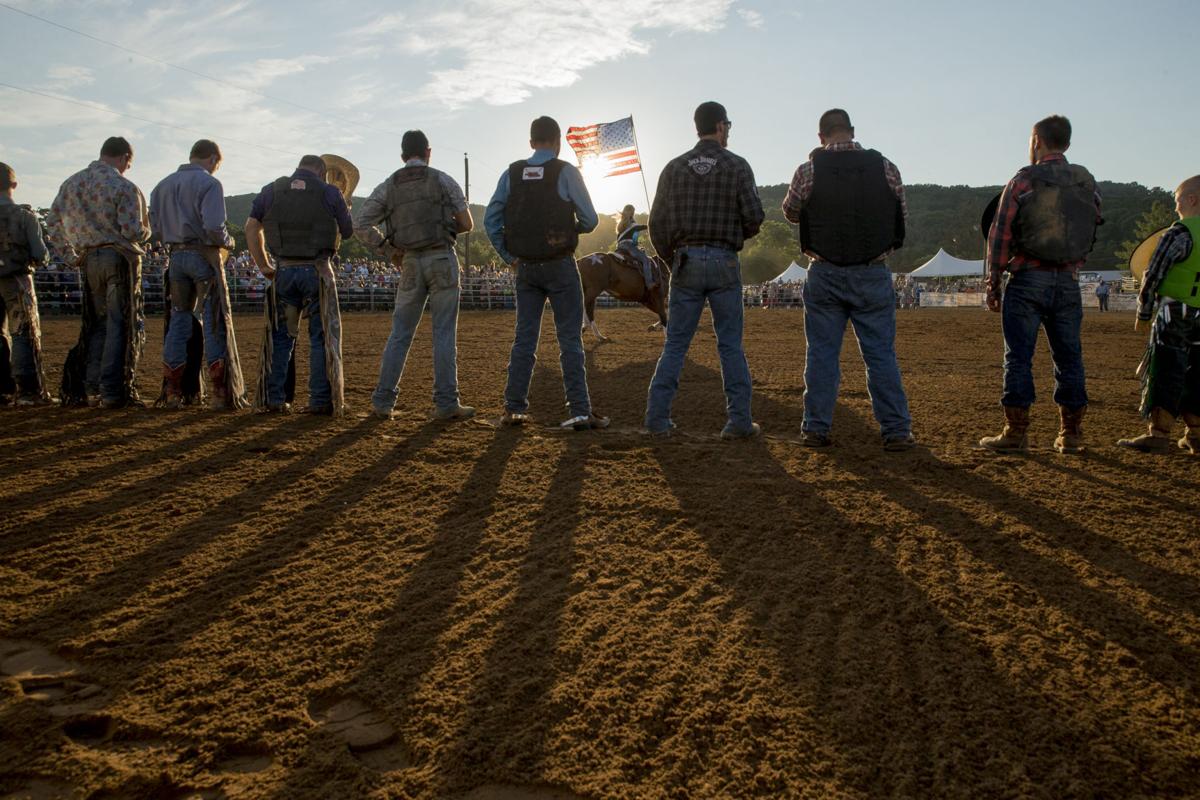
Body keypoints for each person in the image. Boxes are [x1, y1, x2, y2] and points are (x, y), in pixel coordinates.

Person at [781, 108, 914, 451]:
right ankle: (896, 431)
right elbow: (901, 215)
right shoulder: (886, 167)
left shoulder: (808, 169)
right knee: (880, 355)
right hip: (872, 271)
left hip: (824, 271)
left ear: (821, 136)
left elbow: (791, 212)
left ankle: (815, 428)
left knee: (822, 355)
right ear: (852, 131)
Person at [979, 115, 1101, 454]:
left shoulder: (1022, 181)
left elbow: (1000, 234)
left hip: (1028, 279)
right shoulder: (1085, 182)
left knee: (1018, 357)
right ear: (1067, 142)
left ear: (1036, 140)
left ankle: (1015, 432)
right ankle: (1071, 433)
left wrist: (993, 283)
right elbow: (1092, 226)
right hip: (1067, 280)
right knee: (1069, 357)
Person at [644, 101, 765, 439]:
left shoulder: (673, 167)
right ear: (721, 127)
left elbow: (656, 224)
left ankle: (657, 419)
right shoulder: (737, 166)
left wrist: (673, 258)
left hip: (685, 259)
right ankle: (739, 421)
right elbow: (754, 216)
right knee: (730, 345)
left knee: (676, 345)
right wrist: (733, 237)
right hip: (724, 260)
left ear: (697, 126)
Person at [484, 115, 607, 430]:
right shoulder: (565, 171)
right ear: (558, 143)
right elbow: (591, 219)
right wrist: (570, 228)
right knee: (569, 339)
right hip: (560, 264)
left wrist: (509, 255)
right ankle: (579, 409)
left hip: (526, 266)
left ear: (530, 143)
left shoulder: (511, 173)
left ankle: (513, 407)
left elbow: (491, 220)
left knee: (524, 338)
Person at [354, 130, 475, 421]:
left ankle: (383, 400)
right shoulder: (443, 179)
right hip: (441, 258)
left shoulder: (389, 185)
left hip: (409, 261)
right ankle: (446, 403)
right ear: (428, 152)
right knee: (444, 332)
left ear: (402, 156)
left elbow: (360, 224)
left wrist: (388, 250)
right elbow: (467, 223)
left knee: (400, 333)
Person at [45, 136, 150, 408]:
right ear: (125, 157)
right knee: (120, 323)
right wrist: (148, 231)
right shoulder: (124, 186)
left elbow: (53, 222)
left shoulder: (72, 183)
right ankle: (114, 389)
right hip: (118, 258)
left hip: (89, 259)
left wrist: (71, 257)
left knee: (97, 324)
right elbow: (132, 231)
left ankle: (91, 388)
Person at [246, 155, 353, 415]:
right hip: (317, 270)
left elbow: (251, 227)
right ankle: (319, 401)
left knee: (281, 337)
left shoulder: (271, 190)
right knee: (320, 337)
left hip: (284, 270)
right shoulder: (329, 192)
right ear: (321, 171)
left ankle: (274, 398)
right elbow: (347, 230)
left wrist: (263, 266)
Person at [149, 139, 247, 410]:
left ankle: (172, 391)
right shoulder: (210, 184)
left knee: (179, 320)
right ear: (214, 158)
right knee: (213, 319)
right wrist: (228, 242)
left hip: (176, 256)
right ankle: (218, 393)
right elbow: (214, 226)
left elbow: (154, 227)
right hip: (203, 255)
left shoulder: (162, 185)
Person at [1117, 175, 1200, 454]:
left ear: (1192, 199)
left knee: (1166, 368)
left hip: (1175, 312)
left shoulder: (1179, 233)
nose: (1175, 206)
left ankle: (1159, 433)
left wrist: (1144, 312)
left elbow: (1153, 274)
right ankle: (1196, 433)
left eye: (1177, 200)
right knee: (1197, 371)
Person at [0, 162, 51, 405]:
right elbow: (41, 254)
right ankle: (28, 390)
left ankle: (3, 389)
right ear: (14, 185)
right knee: (22, 332)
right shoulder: (23, 216)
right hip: (17, 279)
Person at [615, 204, 656, 290]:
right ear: (632, 213)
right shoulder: (633, 224)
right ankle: (649, 283)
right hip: (629, 247)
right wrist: (652, 224)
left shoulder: (620, 226)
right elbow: (634, 240)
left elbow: (619, 240)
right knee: (646, 260)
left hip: (619, 247)